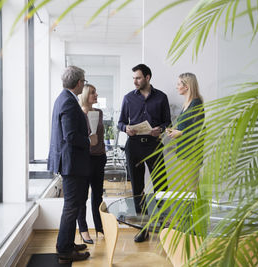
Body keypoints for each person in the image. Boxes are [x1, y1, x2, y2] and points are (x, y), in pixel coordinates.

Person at [47, 66, 95, 264]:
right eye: (83, 81)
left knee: (73, 206)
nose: (84, 84)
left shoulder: (64, 98)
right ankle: (65, 249)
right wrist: (89, 141)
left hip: (72, 163)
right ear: (78, 83)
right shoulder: (68, 102)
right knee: (71, 207)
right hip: (72, 164)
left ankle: (67, 243)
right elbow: (70, 136)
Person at [118, 63, 171, 242]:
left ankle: (163, 226)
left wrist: (160, 129)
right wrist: (126, 128)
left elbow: (167, 122)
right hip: (133, 146)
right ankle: (143, 228)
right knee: (137, 188)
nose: (135, 81)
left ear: (147, 78)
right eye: (133, 78)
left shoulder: (161, 97)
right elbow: (120, 123)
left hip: (154, 145)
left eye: (138, 78)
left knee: (162, 186)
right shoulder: (128, 98)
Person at [77, 84, 107, 244]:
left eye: (96, 92)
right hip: (85, 160)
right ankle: (83, 230)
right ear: (85, 95)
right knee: (82, 197)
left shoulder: (99, 113)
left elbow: (100, 137)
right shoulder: (79, 114)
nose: (96, 95)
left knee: (98, 195)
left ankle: (100, 227)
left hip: (99, 158)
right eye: (93, 93)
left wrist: (102, 152)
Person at [166, 72, 204, 191]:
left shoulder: (196, 103)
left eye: (178, 84)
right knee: (185, 189)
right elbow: (187, 127)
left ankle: (193, 210)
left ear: (186, 86)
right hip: (183, 152)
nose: (176, 87)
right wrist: (174, 131)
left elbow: (200, 131)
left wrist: (180, 133)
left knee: (190, 190)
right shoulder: (186, 104)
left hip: (191, 154)